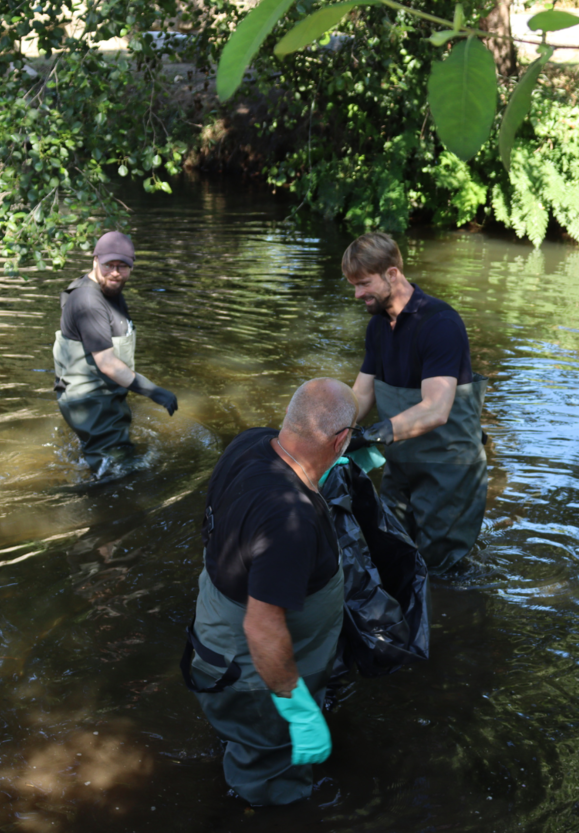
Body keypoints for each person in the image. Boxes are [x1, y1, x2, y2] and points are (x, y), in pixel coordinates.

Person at [181, 378, 356, 806]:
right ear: (342, 441)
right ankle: (259, 806)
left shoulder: (251, 443)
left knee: (241, 742)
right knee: (269, 776)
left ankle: (238, 751)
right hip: (254, 676)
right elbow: (262, 629)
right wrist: (297, 710)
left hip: (214, 643)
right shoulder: (287, 520)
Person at [343, 232, 487, 575]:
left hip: (448, 469)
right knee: (392, 555)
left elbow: (437, 409)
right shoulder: (378, 327)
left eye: (363, 283)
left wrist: (372, 435)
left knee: (440, 571)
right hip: (401, 464)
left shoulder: (440, 323)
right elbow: (361, 395)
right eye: (353, 285)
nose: (357, 294)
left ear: (392, 273)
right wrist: (330, 432)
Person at [52, 231, 178, 471]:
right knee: (116, 471)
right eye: (109, 265)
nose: (116, 273)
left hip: (103, 396)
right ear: (95, 260)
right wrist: (154, 392)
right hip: (90, 401)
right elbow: (107, 363)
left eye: (123, 266)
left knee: (107, 463)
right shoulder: (88, 300)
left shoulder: (110, 291)